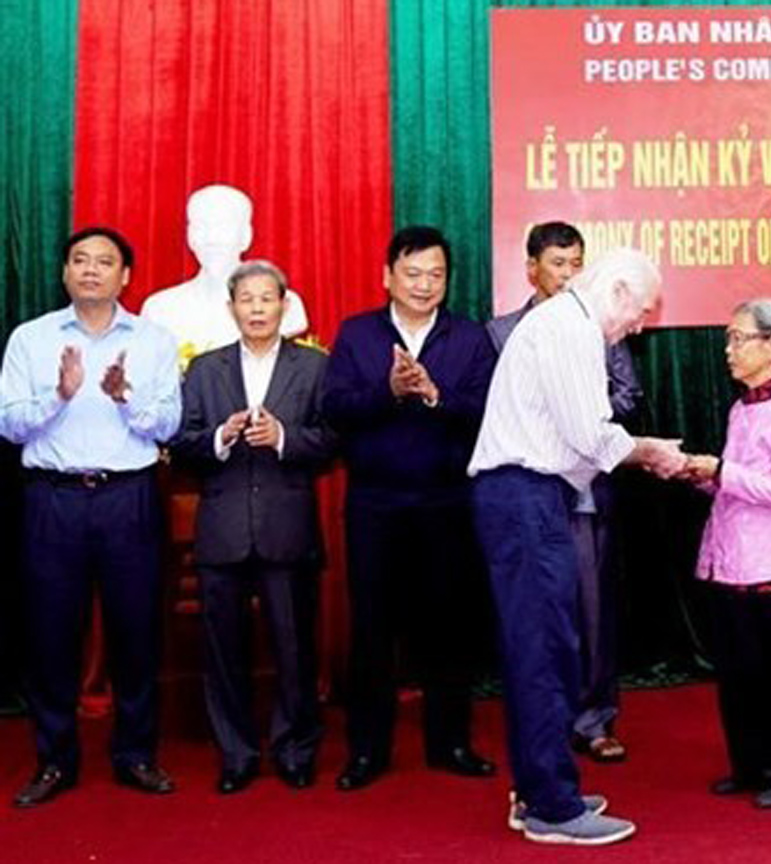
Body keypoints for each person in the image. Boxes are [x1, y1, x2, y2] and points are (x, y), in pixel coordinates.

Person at [469, 247, 686, 845]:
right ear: (615, 290)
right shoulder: (571, 330)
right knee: (544, 652)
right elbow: (588, 434)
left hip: (529, 497)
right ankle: (553, 810)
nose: (638, 326)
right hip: (524, 499)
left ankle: (538, 789)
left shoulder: (561, 323)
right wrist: (652, 452)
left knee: (546, 648)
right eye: (639, 312)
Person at [0, 227, 181, 806]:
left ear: (125, 275)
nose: (91, 270)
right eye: (80, 260)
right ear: (64, 272)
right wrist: (60, 392)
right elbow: (9, 424)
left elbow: (170, 426)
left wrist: (125, 397)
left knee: (136, 633)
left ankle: (135, 755)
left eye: (105, 262)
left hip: (128, 498)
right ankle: (55, 761)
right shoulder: (31, 339)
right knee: (51, 634)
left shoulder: (153, 340)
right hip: (53, 501)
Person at [321, 226, 498, 790]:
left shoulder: (469, 338)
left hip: (447, 502)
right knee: (372, 629)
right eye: (413, 273)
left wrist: (435, 395)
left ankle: (451, 742)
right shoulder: (356, 334)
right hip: (375, 502)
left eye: (436, 275)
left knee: (448, 626)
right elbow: (336, 410)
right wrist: (390, 391)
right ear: (388, 277)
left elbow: (487, 412)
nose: (425, 285)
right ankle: (368, 750)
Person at [171, 261, 334, 792]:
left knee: (294, 648)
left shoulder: (313, 367)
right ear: (231, 308)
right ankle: (236, 753)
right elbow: (183, 445)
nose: (258, 308)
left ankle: (294, 748)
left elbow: (333, 441)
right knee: (224, 652)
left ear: (284, 306)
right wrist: (221, 436)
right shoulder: (203, 370)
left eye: (268, 299)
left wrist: (285, 438)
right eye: (248, 299)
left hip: (287, 528)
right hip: (221, 530)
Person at [486, 221, 641, 763]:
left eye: (578, 263)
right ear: (532, 267)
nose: (569, 274)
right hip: (532, 489)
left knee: (592, 609)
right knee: (540, 626)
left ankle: (594, 719)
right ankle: (546, 761)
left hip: (585, 490)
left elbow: (625, 396)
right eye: (558, 264)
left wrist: (589, 410)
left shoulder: (599, 328)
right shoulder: (506, 331)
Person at [684, 298, 771, 809]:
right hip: (730, 561)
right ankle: (750, 766)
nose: (729, 350)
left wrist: (720, 471)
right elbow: (744, 485)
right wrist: (700, 476)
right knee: (738, 676)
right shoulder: (742, 408)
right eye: (728, 339)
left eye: (739, 339)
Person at [141, 185, 309, 355]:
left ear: (246, 236)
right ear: (189, 235)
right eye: (201, 226)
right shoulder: (159, 308)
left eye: (224, 227)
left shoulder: (286, 305)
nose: (212, 239)